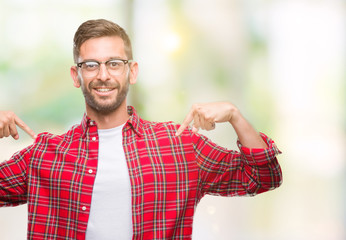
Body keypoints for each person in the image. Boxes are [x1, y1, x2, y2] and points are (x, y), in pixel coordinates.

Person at [0, 19, 282, 240]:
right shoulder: (46, 153)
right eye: (90, 65)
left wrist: (235, 115)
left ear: (131, 71)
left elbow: (261, 176)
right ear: (77, 75)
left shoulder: (179, 145)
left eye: (114, 63)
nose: (103, 75)